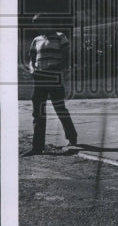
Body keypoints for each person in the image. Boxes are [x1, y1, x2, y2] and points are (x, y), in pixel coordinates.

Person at [26, 15, 79, 154]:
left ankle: (72, 136)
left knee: (59, 108)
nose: (38, 26)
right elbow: (31, 59)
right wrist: (32, 69)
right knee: (38, 112)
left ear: (48, 22)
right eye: (35, 24)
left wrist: (56, 68)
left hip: (54, 77)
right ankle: (37, 147)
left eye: (40, 23)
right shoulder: (36, 40)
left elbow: (67, 58)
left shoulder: (61, 36)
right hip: (39, 78)